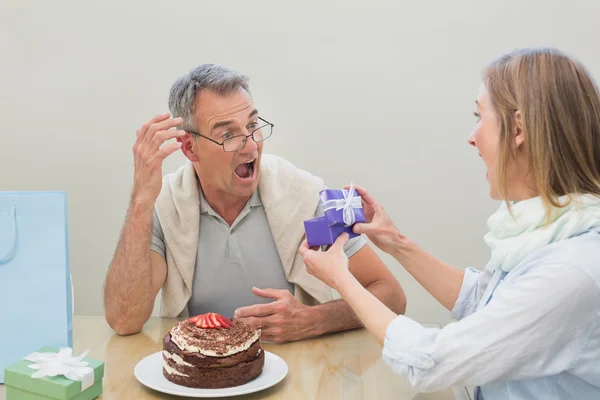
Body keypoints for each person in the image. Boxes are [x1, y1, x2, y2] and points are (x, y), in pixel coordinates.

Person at [299, 47, 600, 399]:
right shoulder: (548, 229)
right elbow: (482, 301)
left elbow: (430, 362)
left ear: (518, 128)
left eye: (479, 116)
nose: (472, 137)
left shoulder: (572, 270)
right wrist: (395, 241)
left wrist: (341, 278)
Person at [103, 64, 406, 342]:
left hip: (298, 378)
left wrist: (314, 320)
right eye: (228, 134)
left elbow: (391, 295)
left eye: (252, 125)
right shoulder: (166, 206)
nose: (250, 144)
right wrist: (142, 198)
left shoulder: (307, 196)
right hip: (202, 378)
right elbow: (123, 320)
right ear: (190, 148)